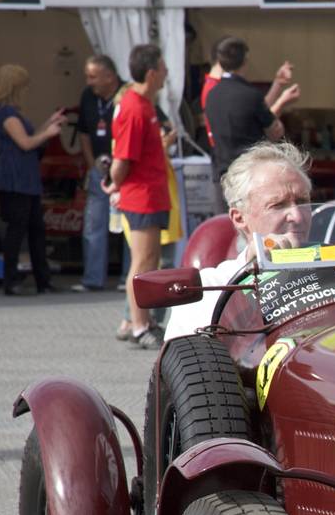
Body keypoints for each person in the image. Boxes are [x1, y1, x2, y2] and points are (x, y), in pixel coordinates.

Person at [165, 141, 314, 341]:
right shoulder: (209, 289)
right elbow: (190, 364)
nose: (297, 216)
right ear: (239, 218)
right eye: (278, 205)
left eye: (303, 201)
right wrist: (251, 272)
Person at [105, 43, 171, 348]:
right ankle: (138, 326)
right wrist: (112, 182)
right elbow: (122, 160)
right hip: (141, 194)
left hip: (151, 192)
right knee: (143, 262)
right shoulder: (133, 107)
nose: (167, 72)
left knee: (151, 261)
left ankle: (143, 321)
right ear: (151, 73)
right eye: (163, 67)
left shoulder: (143, 104)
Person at [0, 65, 66, 296]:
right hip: (15, 179)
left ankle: (42, 280)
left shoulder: (10, 113)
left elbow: (28, 138)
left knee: (35, 230)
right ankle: (12, 280)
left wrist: (47, 124)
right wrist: (48, 133)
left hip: (25, 179)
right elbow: (26, 143)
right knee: (18, 230)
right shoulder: (7, 115)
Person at [205, 36, 299, 198]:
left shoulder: (211, 94)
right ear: (245, 60)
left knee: (227, 221)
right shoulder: (249, 95)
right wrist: (282, 102)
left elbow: (253, 109)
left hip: (221, 173)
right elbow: (274, 130)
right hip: (248, 174)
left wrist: (277, 85)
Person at [68, 55, 121, 294]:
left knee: (128, 227)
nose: (89, 82)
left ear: (109, 77)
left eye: (93, 76)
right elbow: (84, 134)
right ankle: (92, 279)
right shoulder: (88, 96)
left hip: (124, 170)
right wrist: (92, 166)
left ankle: (130, 278)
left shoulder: (126, 95)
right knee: (93, 224)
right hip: (98, 169)